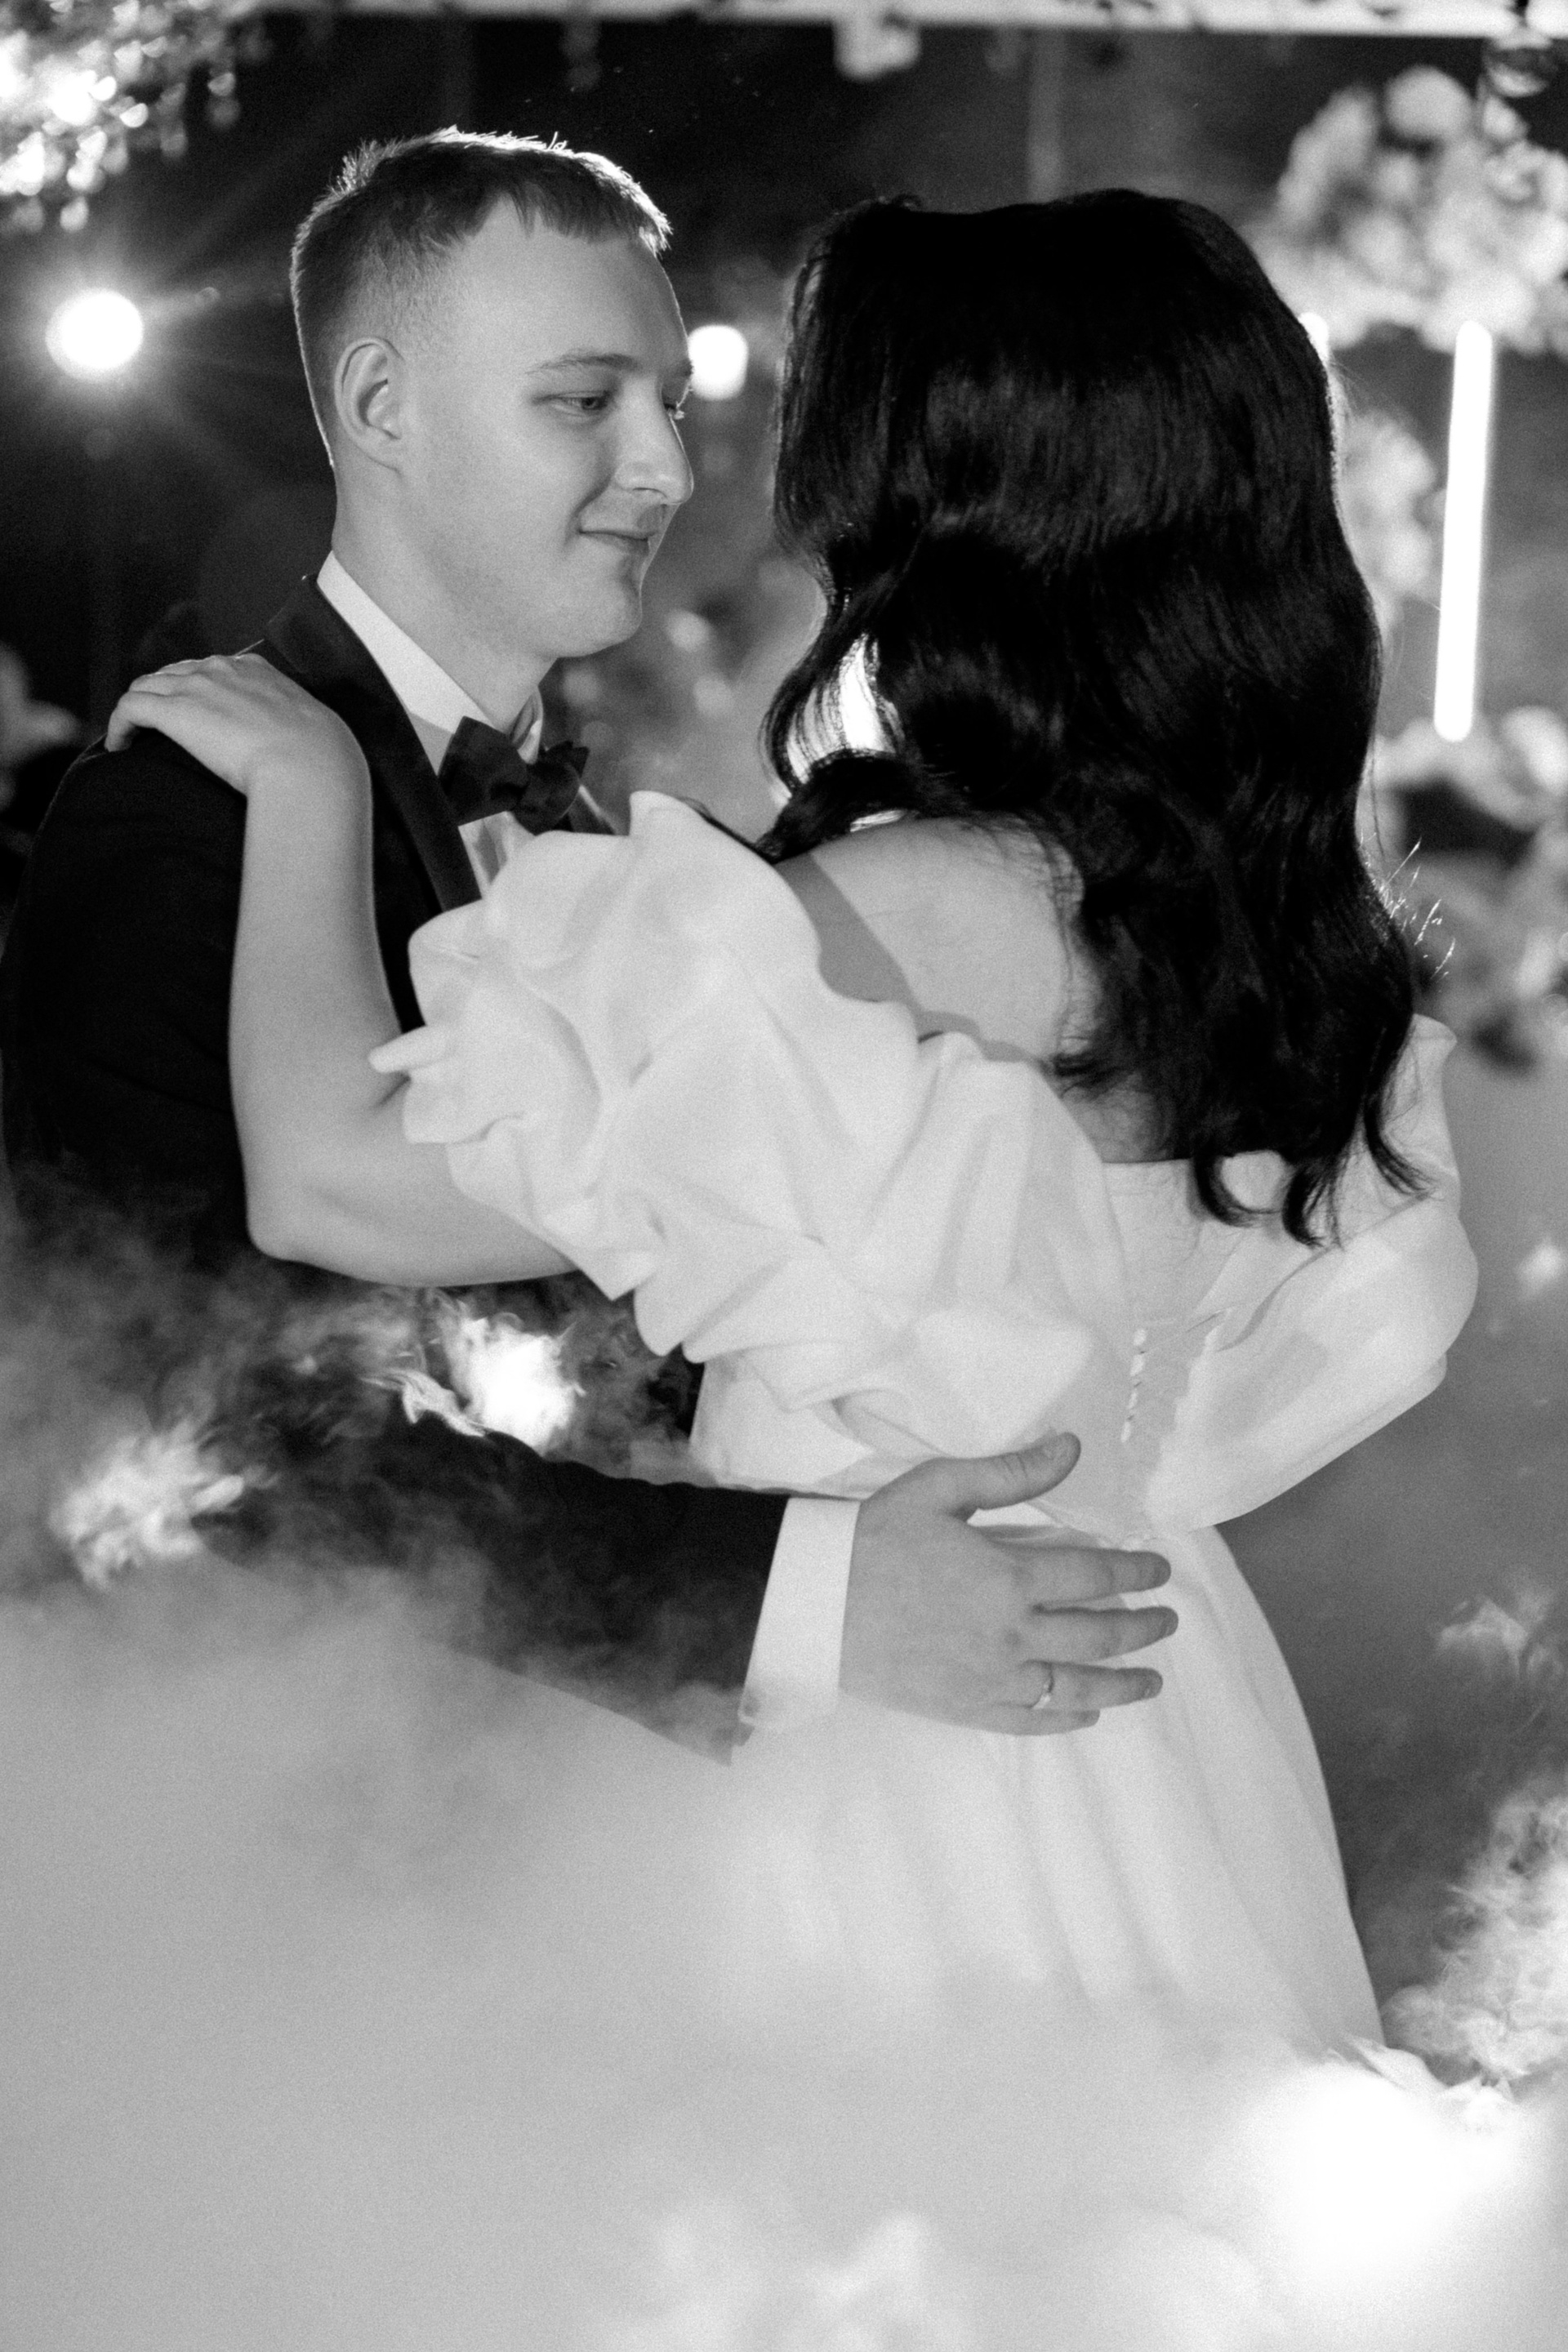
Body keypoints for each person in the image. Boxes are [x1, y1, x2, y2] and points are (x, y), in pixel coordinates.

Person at [107, 189, 1479, 2046]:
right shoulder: (1281, 935)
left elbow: (335, 1182)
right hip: (1152, 1725)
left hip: (874, 1744)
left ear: (962, 523)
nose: (719, 483)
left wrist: (303, 794)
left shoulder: (904, 910)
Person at [0, 134, 1174, 1757]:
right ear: (382, 407)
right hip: (293, 1801)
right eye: (581, 402)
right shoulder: (178, 825)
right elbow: (203, 1434)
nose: (665, 469)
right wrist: (796, 1597)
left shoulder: (605, 834)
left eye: (670, 405)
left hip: (598, 1788)